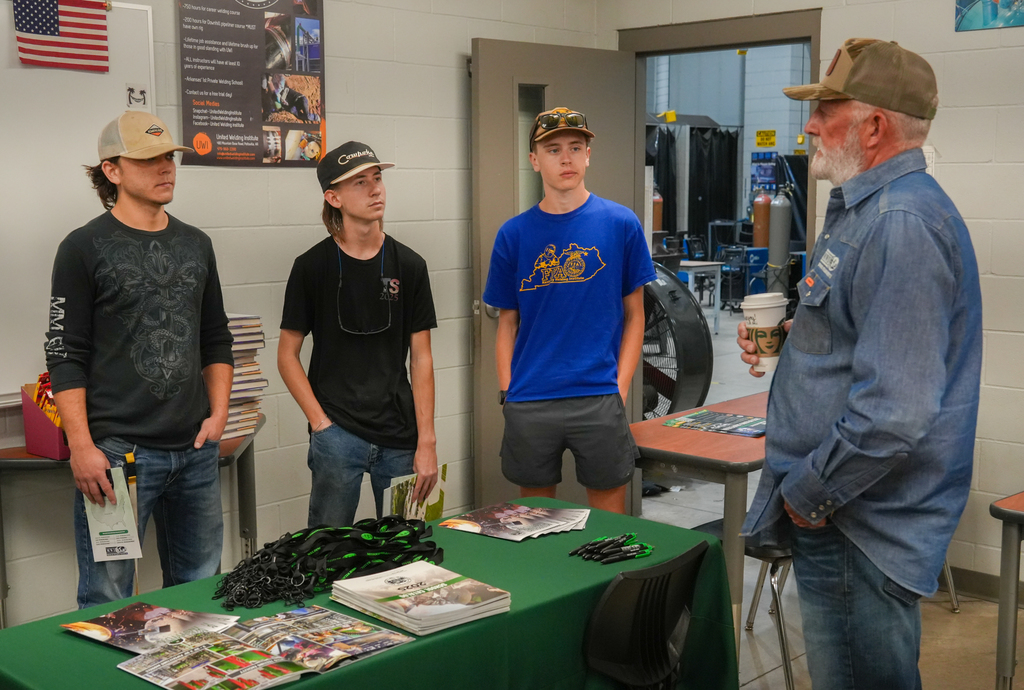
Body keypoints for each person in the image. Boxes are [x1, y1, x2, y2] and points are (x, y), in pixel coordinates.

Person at [737, 39, 982, 689]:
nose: (810, 125)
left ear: (873, 126)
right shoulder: (864, 210)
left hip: (857, 527)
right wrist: (798, 339)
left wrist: (808, 497)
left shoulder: (900, 222)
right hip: (845, 518)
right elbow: (859, 339)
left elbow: (894, 412)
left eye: (826, 110)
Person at [46, 111, 234, 608]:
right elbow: (65, 353)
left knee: (201, 587)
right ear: (112, 171)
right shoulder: (82, 247)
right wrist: (82, 447)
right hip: (118, 457)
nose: (166, 168)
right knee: (108, 596)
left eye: (169, 157)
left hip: (195, 450)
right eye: (149, 159)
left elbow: (216, 338)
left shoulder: (197, 244)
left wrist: (218, 415)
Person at [482, 107, 656, 514]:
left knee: (608, 526)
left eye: (576, 148)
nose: (566, 158)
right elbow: (506, 323)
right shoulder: (514, 234)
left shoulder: (621, 224)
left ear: (588, 155)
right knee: (535, 525)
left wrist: (621, 386)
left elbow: (637, 316)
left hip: (598, 395)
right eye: (553, 149)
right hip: (531, 398)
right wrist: (509, 391)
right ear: (534, 160)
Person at [278, 141, 438, 527]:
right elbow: (286, 355)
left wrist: (427, 440)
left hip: (400, 435)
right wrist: (320, 424)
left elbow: (422, 358)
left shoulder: (411, 265)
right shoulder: (311, 267)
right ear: (333, 197)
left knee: (408, 549)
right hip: (337, 435)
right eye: (360, 182)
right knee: (327, 553)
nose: (375, 189)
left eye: (378, 178)